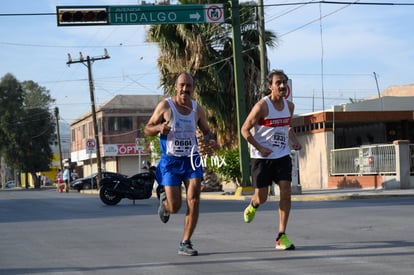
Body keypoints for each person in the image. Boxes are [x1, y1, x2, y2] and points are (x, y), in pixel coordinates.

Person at [144, 72, 218, 256]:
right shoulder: (165, 106)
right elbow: (147, 128)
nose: (185, 89)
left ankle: (185, 242)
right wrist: (159, 128)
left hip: (191, 159)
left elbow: (207, 131)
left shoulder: (196, 109)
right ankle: (165, 203)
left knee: (194, 200)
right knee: (175, 206)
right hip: (170, 161)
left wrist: (210, 139)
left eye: (189, 86)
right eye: (182, 85)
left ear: (193, 89)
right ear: (176, 87)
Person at [241, 69, 302, 250]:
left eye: (284, 82)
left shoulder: (289, 107)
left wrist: (295, 141)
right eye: (278, 83)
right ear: (270, 87)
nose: (283, 85)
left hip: (282, 154)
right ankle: (253, 204)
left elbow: (287, 127)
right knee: (262, 197)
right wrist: (260, 147)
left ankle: (281, 236)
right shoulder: (261, 107)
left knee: (285, 190)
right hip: (261, 156)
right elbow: (245, 129)